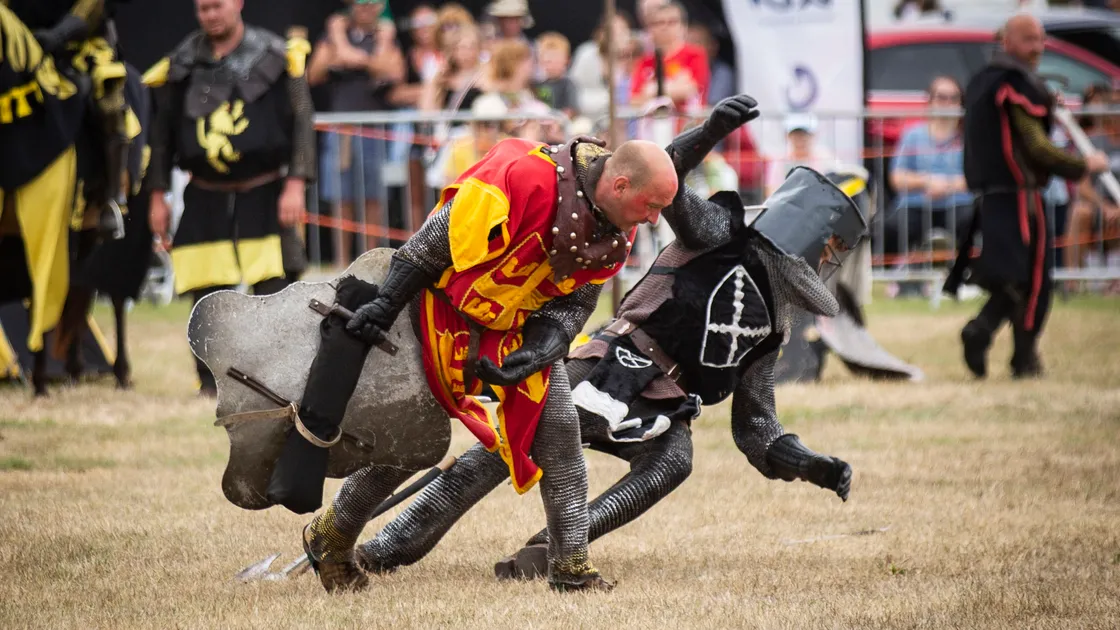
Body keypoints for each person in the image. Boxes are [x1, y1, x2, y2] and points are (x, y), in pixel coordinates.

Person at [299, 96, 768, 590]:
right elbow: (433, 241)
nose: (654, 220)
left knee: (560, 433)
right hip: (439, 310)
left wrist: (538, 352)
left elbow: (572, 306)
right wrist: (385, 305)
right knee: (412, 443)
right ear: (619, 185)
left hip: (513, 326)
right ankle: (331, 535)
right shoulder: (523, 175)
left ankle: (570, 569)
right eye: (651, 207)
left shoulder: (615, 227)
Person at [143, 0, 315, 396]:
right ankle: (211, 384)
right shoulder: (181, 64)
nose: (210, 15)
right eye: (203, 9)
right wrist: (157, 195)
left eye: (217, 6)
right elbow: (162, 135)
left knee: (274, 289)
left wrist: (295, 184)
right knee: (206, 292)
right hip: (205, 193)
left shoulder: (278, 57)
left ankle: (276, 382)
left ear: (237, 3)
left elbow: (302, 123)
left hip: (265, 190)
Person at [946, 13, 1109, 379]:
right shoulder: (1010, 83)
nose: (1037, 48)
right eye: (1029, 40)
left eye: (1040, 39)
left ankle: (991, 337)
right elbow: (1036, 145)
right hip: (1017, 197)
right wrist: (1082, 165)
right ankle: (1014, 352)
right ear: (1007, 41)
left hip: (994, 197)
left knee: (1014, 277)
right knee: (1031, 280)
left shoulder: (984, 80)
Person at [306, 0, 404, 260]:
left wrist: (354, 57)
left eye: (371, 4)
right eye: (360, 4)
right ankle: (342, 260)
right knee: (341, 198)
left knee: (374, 196)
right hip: (342, 129)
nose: (366, 9)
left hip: (374, 130)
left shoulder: (384, 36)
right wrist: (339, 41)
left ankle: (370, 258)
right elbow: (313, 73)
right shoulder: (334, 35)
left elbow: (394, 72)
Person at [629, 2, 709, 115]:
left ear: (683, 26)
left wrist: (651, 89)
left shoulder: (695, 55)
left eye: (672, 22)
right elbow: (634, 101)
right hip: (654, 123)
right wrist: (675, 86)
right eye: (659, 23)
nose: (664, 27)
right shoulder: (645, 62)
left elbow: (691, 90)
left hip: (689, 122)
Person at [765, 113, 841, 197]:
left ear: (813, 135)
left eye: (804, 134)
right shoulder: (780, 161)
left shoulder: (826, 159)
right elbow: (772, 193)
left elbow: (837, 189)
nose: (800, 139)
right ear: (787, 136)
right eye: (795, 135)